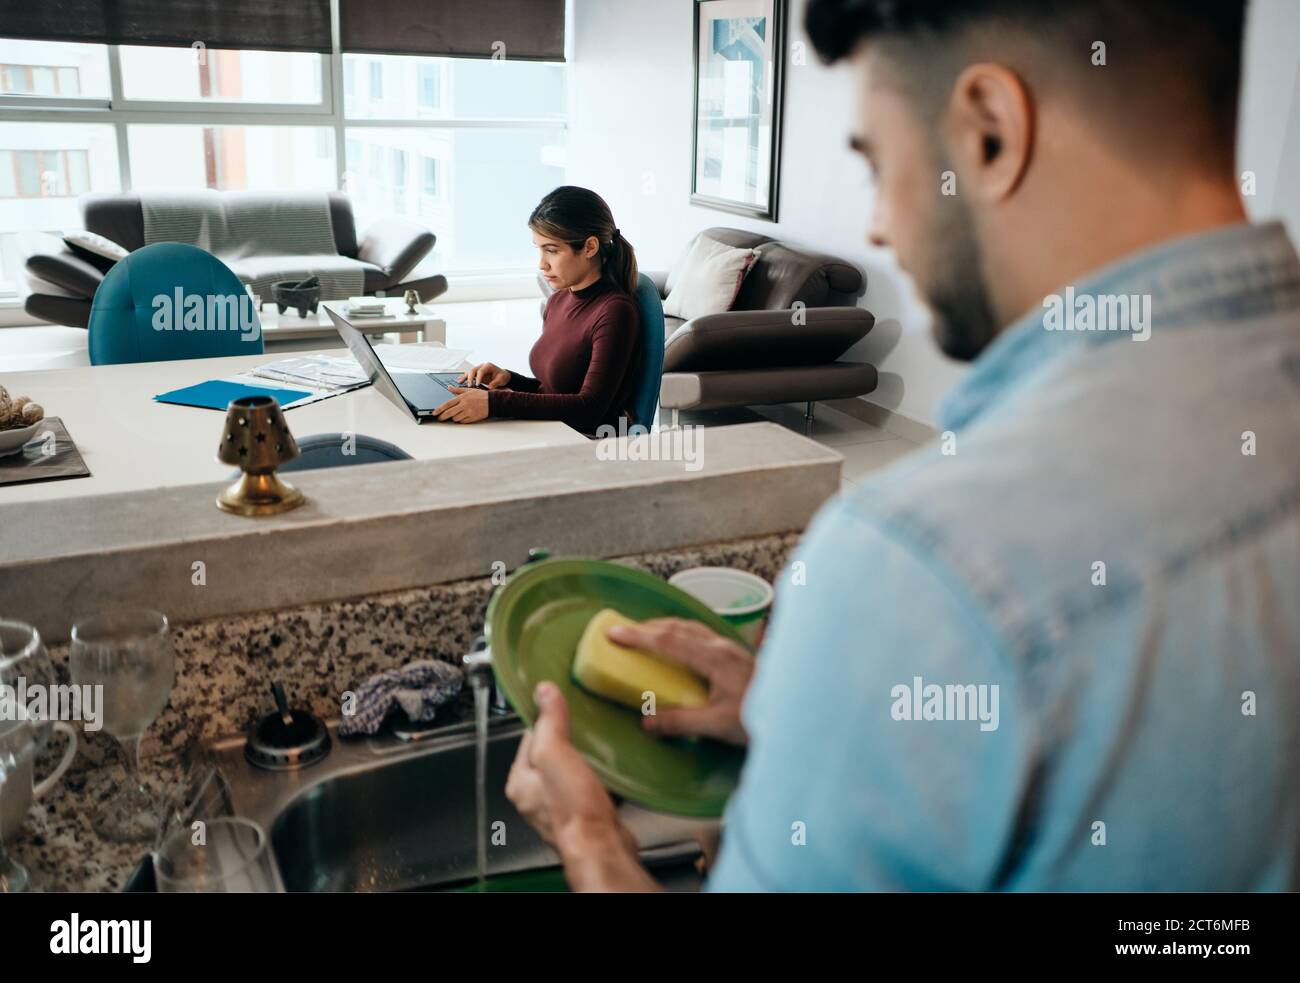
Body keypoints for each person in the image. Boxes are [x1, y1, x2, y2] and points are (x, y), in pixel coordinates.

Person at [505, 0, 1300, 891]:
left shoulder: (920, 563)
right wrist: (785, 706)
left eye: (879, 164)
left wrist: (587, 839)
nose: (879, 226)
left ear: (991, 132)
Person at [433, 186, 642, 435]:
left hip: (587, 443)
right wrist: (509, 379)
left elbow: (590, 407)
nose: (542, 264)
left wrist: (494, 403)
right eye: (539, 249)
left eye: (552, 250)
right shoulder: (558, 301)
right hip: (553, 431)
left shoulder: (615, 312)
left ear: (589, 247)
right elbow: (554, 391)